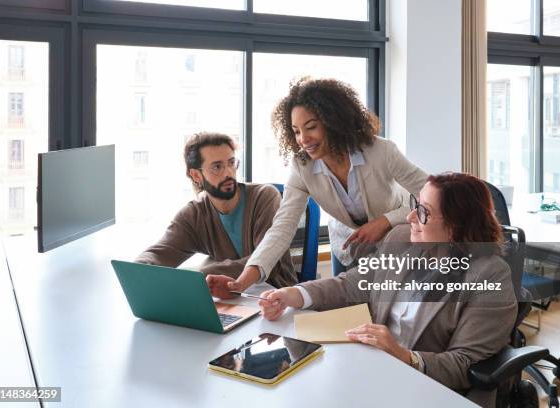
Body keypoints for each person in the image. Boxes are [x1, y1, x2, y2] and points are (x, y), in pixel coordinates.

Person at [258, 173, 518, 407]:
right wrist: (295, 294)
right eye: (414, 205)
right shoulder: (401, 240)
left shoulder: (489, 275)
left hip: (429, 387)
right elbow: (352, 283)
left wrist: (404, 356)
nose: (410, 217)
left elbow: (464, 364)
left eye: (423, 212)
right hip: (376, 369)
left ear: (456, 226)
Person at [207, 77, 427, 298]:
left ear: (334, 122)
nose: (303, 139)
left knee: (387, 309)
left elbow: (432, 195)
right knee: (346, 309)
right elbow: (282, 227)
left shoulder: (380, 151)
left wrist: (385, 221)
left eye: (311, 127)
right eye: (296, 131)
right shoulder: (302, 166)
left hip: (397, 239)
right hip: (347, 245)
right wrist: (242, 282)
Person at [136, 132, 297, 289]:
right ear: (196, 175)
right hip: (228, 301)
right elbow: (160, 253)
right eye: (217, 167)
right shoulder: (194, 214)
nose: (228, 173)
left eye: (231, 163)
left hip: (275, 297)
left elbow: (269, 261)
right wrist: (138, 269)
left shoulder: (264, 197)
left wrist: (203, 274)